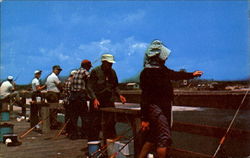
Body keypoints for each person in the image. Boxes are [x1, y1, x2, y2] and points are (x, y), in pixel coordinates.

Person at [139, 40, 203, 158]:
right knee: (164, 137)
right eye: (164, 57)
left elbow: (174, 75)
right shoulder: (148, 72)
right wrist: (144, 118)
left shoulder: (160, 69)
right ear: (158, 57)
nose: (166, 59)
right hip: (157, 109)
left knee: (152, 136)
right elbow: (145, 97)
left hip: (161, 108)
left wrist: (192, 75)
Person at [87, 54, 126, 141]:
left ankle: (110, 142)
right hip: (97, 100)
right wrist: (94, 99)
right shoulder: (95, 71)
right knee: (95, 123)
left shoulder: (113, 72)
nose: (111, 65)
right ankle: (94, 143)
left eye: (111, 63)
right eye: (109, 63)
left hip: (109, 100)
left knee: (111, 121)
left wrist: (120, 95)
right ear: (103, 62)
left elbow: (115, 86)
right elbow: (89, 87)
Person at [69, 60, 92, 140]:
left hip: (73, 97)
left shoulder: (76, 72)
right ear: (86, 66)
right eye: (89, 66)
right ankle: (84, 134)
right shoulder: (85, 72)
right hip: (80, 97)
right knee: (84, 116)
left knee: (74, 117)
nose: (89, 68)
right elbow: (90, 84)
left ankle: (73, 135)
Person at [45, 65, 63, 129]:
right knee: (54, 110)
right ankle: (54, 125)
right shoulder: (54, 77)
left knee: (51, 110)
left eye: (59, 70)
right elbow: (60, 86)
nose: (59, 71)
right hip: (53, 95)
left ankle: (51, 123)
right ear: (54, 70)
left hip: (49, 94)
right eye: (58, 70)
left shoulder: (49, 77)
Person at [62, 70, 76, 136]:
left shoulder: (66, 81)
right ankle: (71, 131)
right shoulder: (72, 82)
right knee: (71, 117)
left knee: (67, 116)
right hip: (70, 101)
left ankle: (67, 131)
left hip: (65, 101)